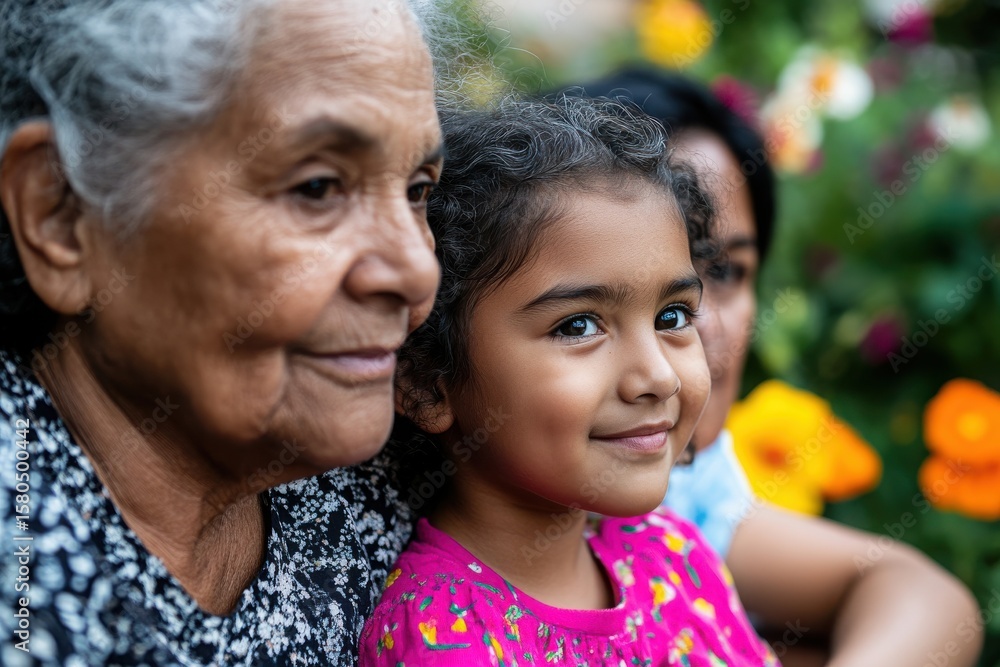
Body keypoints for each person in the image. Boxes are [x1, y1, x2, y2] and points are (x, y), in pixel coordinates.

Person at [0, 0, 446, 664]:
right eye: (318, 187)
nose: (417, 270)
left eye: (417, 190)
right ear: (61, 213)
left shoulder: (393, 492)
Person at [573, 67, 983, 667]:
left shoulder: (685, 495)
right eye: (579, 318)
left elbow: (920, 595)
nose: (699, 326)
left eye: (727, 272)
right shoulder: (443, 598)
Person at [360, 96, 779, 666]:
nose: (657, 375)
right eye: (578, 325)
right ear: (429, 383)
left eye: (673, 317)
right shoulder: (443, 636)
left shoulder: (671, 555)